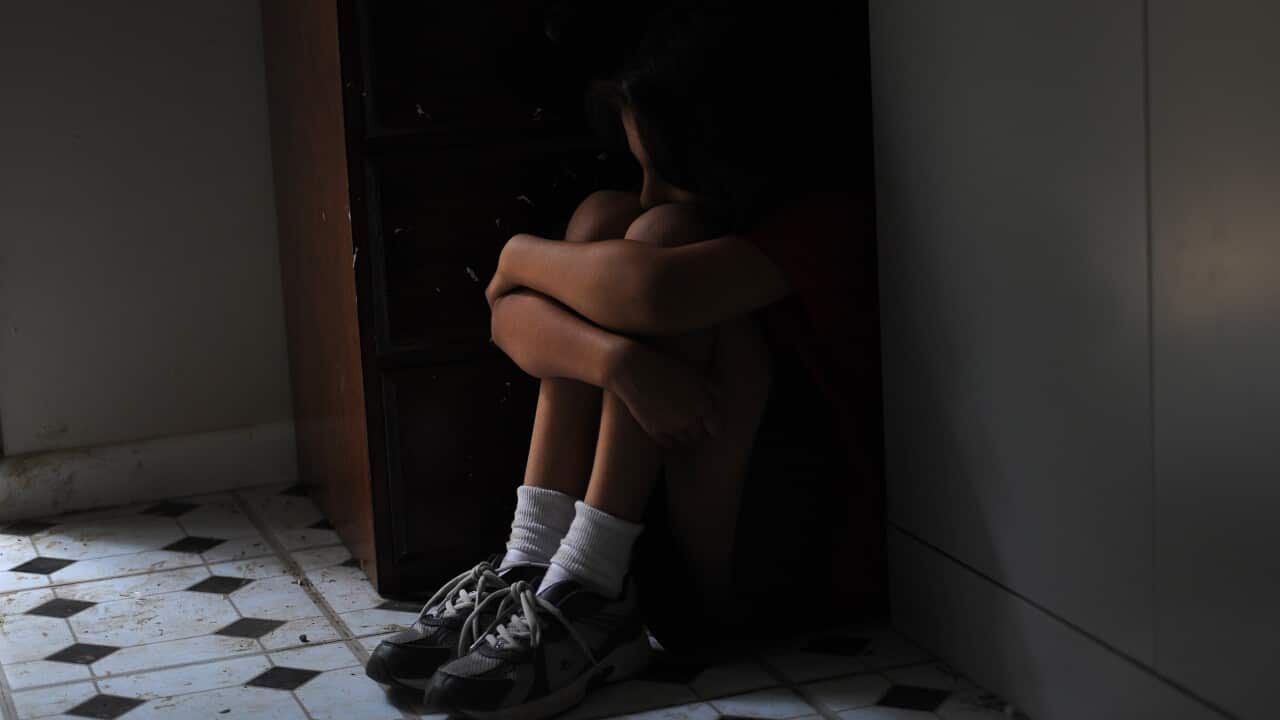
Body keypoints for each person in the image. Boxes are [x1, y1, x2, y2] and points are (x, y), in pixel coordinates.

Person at [366, 3, 883, 717]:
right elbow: (509, 325)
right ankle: (538, 566)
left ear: (733, 153)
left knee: (657, 240)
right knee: (601, 220)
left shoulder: (829, 216)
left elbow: (650, 291)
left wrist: (516, 255)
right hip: (662, 529)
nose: (648, 191)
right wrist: (620, 365)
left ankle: (591, 590)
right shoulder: (665, 207)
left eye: (666, 171)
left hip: (774, 566)